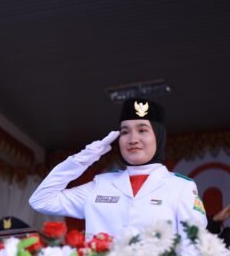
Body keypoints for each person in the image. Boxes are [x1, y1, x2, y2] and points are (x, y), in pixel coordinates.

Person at [29, 98, 207, 239]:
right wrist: (86, 157)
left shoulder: (180, 188)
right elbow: (41, 200)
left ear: (158, 137)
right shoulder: (100, 185)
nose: (132, 139)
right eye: (125, 131)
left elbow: (193, 250)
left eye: (142, 130)